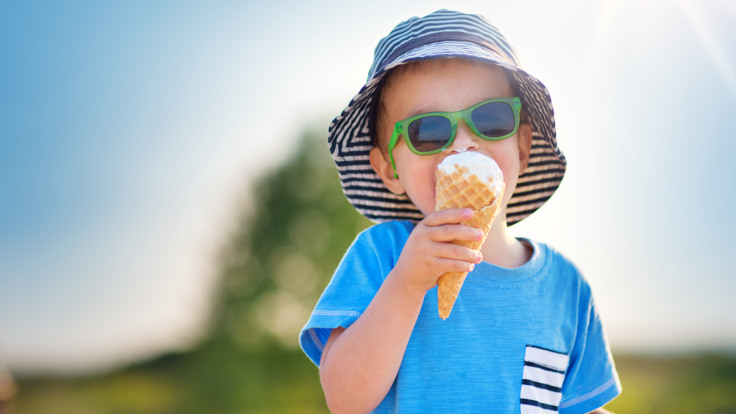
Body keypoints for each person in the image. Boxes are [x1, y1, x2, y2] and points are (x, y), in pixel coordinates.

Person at [299, 9, 621, 413]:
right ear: (389, 170)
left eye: (490, 119)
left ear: (521, 147)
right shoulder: (383, 256)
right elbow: (346, 399)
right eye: (428, 131)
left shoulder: (566, 287)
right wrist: (407, 284)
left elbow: (580, 407)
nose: (464, 144)